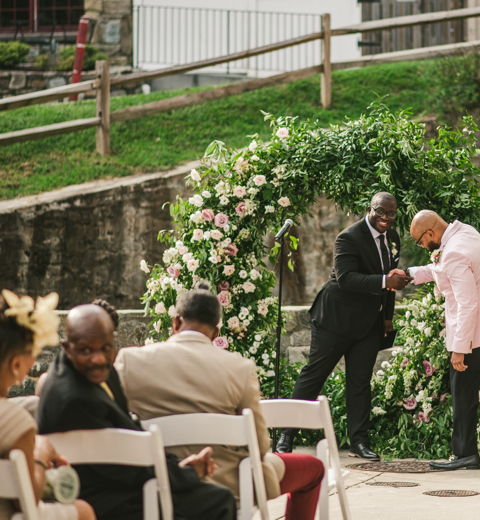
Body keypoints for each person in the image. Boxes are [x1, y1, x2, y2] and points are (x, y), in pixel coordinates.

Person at [115, 282, 325, 520]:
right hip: (229, 486)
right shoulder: (240, 369)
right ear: (216, 333)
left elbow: (115, 425)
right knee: (314, 468)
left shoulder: (130, 361)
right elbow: (258, 445)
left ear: (175, 322)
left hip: (156, 482)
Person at [37, 304, 237, 520]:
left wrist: (177, 467)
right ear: (67, 347)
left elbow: (130, 432)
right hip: (98, 498)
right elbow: (127, 467)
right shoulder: (74, 399)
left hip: (119, 480)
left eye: (105, 347)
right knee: (218, 499)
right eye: (86, 350)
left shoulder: (95, 370)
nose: (98, 358)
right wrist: (187, 474)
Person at [276, 192, 412, 460]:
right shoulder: (348, 237)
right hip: (335, 319)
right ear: (369, 209)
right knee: (314, 376)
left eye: (392, 214)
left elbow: (391, 282)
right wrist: (385, 281)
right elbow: (347, 278)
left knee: (360, 382)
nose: (386, 218)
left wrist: (387, 317)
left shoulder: (393, 238)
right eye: (381, 212)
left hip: (370, 322)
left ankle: (359, 443)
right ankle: (285, 436)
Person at [403, 210, 480, 470]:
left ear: (430, 233)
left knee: (462, 390)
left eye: (420, 241)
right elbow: (441, 269)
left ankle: (464, 454)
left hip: (474, 333)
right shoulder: (466, 232)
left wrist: (459, 348)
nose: (422, 246)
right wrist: (409, 273)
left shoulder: (453, 253)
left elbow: (467, 305)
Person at [0, 289, 96, 520]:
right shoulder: (16, 423)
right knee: (84, 510)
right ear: (16, 364)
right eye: (33, 353)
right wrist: (40, 455)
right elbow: (26, 499)